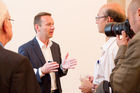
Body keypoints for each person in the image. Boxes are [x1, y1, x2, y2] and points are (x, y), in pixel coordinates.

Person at [18, 12, 77, 93]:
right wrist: (42, 70)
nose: (53, 27)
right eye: (49, 24)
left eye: (53, 24)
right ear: (38, 27)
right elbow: (24, 77)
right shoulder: (25, 49)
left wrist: (62, 67)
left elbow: (57, 73)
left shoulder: (55, 46)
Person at [79, 3, 126, 93]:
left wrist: (91, 89)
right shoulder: (118, 42)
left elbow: (111, 87)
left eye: (98, 17)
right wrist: (97, 79)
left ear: (108, 20)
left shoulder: (113, 47)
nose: (96, 21)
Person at [0, 0, 41, 93]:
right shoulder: (18, 63)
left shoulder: (56, 47)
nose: (52, 27)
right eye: (9, 20)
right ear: (5, 25)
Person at [110, 0, 140, 92]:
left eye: (129, 19)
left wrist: (123, 49)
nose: (130, 27)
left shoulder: (137, 41)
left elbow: (119, 85)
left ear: (139, 13)